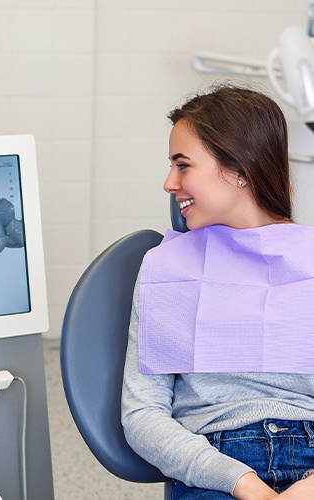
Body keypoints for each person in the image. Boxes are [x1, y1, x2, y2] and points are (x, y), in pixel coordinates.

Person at [121, 85, 314, 500]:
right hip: (213, 466)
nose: (169, 183)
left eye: (183, 165)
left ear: (238, 168)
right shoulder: (165, 270)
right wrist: (240, 482)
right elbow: (142, 413)